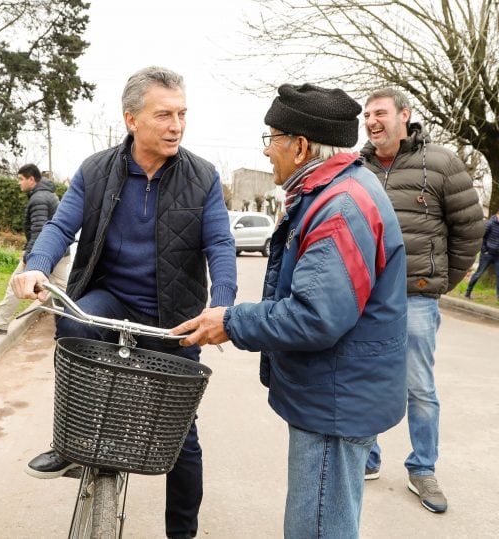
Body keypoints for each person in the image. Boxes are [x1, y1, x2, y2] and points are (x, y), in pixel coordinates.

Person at [171, 83, 409, 538]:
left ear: (300, 147)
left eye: (271, 139)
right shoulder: (338, 191)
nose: (266, 153)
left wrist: (231, 321)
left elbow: (315, 316)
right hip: (338, 394)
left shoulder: (339, 208)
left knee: (316, 528)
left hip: (334, 402)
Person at [10, 66, 238, 539]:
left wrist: (223, 307)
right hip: (110, 299)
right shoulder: (96, 169)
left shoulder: (204, 177)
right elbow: (60, 226)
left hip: (175, 315)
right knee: (74, 327)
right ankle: (73, 441)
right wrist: (34, 265)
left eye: (182, 114)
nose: (176, 125)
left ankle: (183, 532)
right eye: (164, 115)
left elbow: (220, 245)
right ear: (132, 118)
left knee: (182, 434)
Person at [360, 88, 484, 513]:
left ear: (404, 115)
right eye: (367, 115)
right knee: (367, 379)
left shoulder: (441, 163)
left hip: (417, 298)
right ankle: (368, 456)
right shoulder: (358, 168)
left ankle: (423, 468)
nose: (372, 121)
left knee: (419, 388)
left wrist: (440, 282)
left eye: (380, 113)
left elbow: (470, 228)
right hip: (368, 299)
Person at [0, 163, 70, 335]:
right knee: (64, 290)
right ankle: (78, 323)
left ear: (31, 179)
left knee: (17, 282)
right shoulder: (48, 194)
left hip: (45, 254)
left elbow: (40, 229)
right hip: (59, 252)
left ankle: (0, 323)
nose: (19, 183)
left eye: (21, 179)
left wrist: (29, 253)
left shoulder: (39, 199)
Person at [465, 207, 499, 301]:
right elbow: (481, 237)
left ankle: (498, 298)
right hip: (487, 254)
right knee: (478, 274)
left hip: (497, 256)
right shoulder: (490, 223)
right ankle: (468, 292)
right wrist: (484, 250)